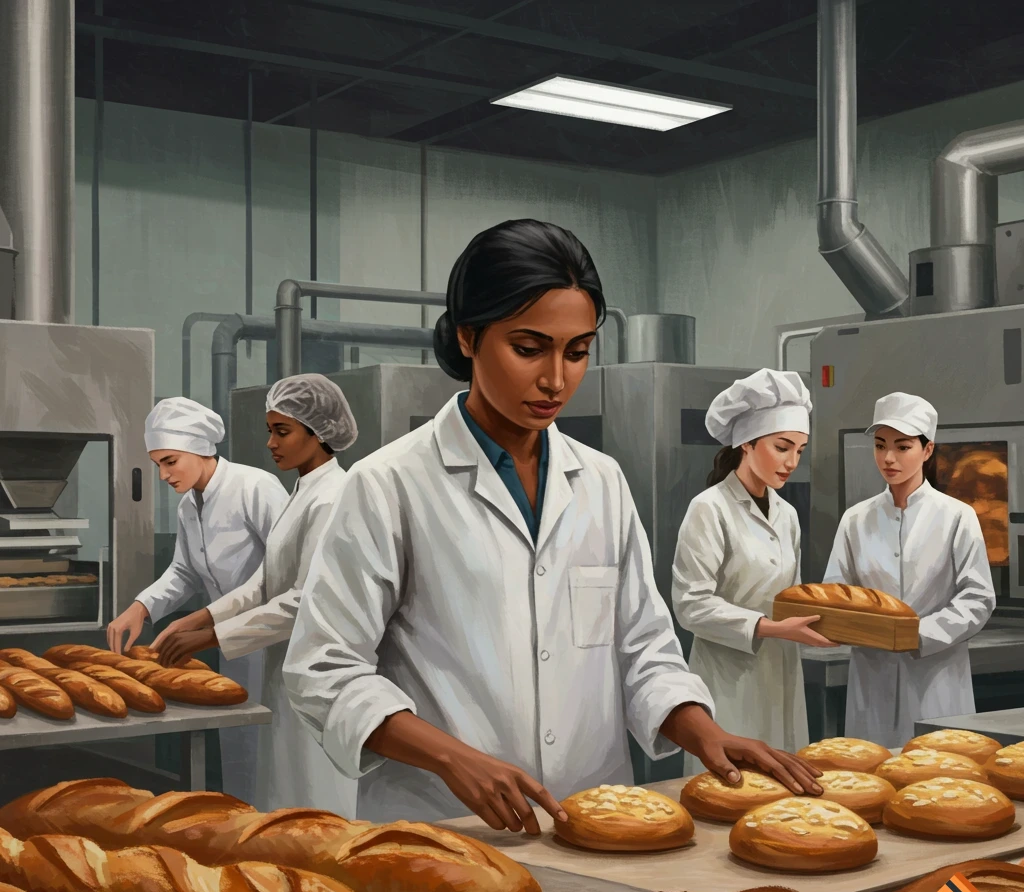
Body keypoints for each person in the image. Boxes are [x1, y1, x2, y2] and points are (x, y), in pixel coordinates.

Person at [282, 218, 822, 831]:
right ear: (467, 337)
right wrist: (454, 760)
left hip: (598, 819)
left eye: (578, 351)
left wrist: (705, 732)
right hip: (448, 827)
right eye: (529, 348)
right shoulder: (389, 485)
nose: (555, 380)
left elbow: (642, 647)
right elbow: (324, 669)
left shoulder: (600, 482)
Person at [148, 375, 359, 817]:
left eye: (282, 431)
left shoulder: (333, 498)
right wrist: (201, 617)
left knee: (315, 805)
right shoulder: (304, 491)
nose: (269, 443)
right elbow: (265, 582)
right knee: (279, 798)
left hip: (317, 668)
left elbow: (307, 598)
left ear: (319, 433)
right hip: (284, 668)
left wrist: (213, 636)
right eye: (270, 430)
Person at [106, 396, 289, 803]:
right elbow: (185, 571)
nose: (163, 474)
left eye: (170, 461)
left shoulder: (255, 487)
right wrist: (142, 607)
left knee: (277, 755)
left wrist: (200, 620)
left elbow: (281, 571)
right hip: (231, 647)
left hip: (277, 643)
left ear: (201, 448)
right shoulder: (190, 504)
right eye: (158, 464)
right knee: (240, 750)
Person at [671, 370, 836, 763]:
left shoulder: (787, 514)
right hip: (728, 681)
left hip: (781, 676)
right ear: (746, 443)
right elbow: (690, 605)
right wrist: (771, 628)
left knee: (782, 798)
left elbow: (791, 595)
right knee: (729, 797)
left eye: (800, 449)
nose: (793, 461)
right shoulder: (710, 508)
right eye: (782, 447)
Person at [824, 392, 995, 748]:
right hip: (872, 678)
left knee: (939, 780)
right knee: (870, 775)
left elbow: (978, 598)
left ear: (927, 450)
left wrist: (918, 634)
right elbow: (835, 595)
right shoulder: (855, 519)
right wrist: (854, 627)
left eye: (902, 447)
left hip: (937, 680)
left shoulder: (956, 516)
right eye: (880, 445)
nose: (888, 458)